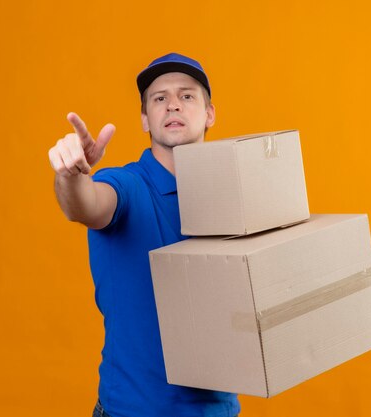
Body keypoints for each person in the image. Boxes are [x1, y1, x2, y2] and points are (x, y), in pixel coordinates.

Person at [48, 53, 241, 417]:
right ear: (144, 119)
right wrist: (71, 176)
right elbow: (85, 205)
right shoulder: (128, 185)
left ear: (210, 113)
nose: (172, 105)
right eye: (159, 98)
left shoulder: (233, 198)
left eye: (186, 96)